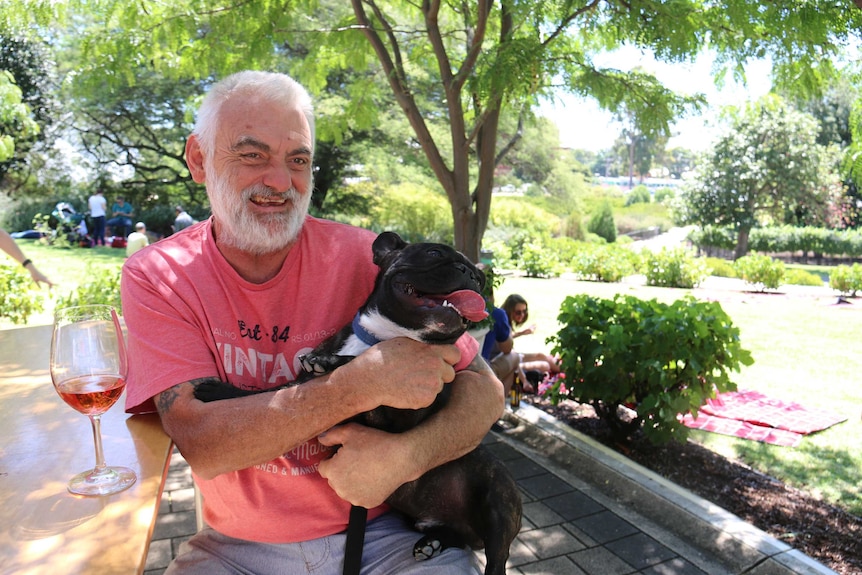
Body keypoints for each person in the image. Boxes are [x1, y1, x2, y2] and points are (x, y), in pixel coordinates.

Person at [120, 70, 502, 574]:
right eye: (252, 154)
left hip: (390, 533)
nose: (280, 181)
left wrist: (406, 458)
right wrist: (355, 386)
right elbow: (203, 443)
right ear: (198, 159)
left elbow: (485, 392)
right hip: (236, 548)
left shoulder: (368, 259)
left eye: (297, 159)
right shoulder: (158, 275)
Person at [501, 293, 561, 377]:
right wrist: (522, 333)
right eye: (518, 312)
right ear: (510, 311)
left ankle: (561, 366)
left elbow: (507, 336)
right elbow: (506, 339)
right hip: (504, 361)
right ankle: (564, 369)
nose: (522, 315)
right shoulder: (503, 321)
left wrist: (523, 332)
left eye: (524, 311)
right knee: (545, 365)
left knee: (541, 356)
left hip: (509, 358)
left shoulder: (506, 320)